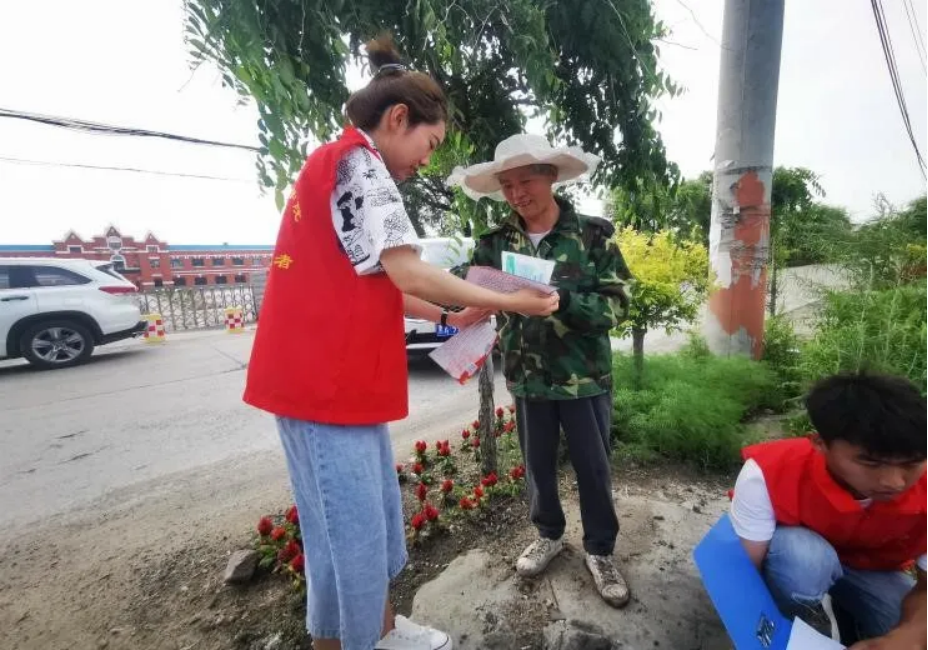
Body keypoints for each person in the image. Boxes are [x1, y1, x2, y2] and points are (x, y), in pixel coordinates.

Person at [243, 38, 559, 650]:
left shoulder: (334, 161)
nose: (426, 161)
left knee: (348, 529)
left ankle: (379, 632)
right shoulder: (363, 165)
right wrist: (512, 300)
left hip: (322, 385)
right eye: (430, 144)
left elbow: (382, 283)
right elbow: (409, 272)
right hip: (327, 387)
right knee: (354, 534)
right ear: (397, 119)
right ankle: (372, 640)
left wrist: (451, 316)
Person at [448, 134, 633, 608]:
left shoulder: (592, 237)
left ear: (550, 176)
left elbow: (617, 306)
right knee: (537, 464)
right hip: (527, 376)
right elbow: (474, 295)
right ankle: (548, 534)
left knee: (593, 467)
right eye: (507, 185)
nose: (515, 194)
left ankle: (600, 550)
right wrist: (460, 315)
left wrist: (562, 300)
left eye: (524, 181)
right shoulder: (493, 244)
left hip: (583, 378)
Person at [730, 372, 927, 648]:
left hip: (873, 572)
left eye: (911, 464)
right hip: (802, 563)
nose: (894, 482)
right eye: (871, 463)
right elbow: (745, 570)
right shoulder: (770, 471)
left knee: (912, 630)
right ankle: (796, 620)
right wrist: (756, 632)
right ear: (820, 444)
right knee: (804, 561)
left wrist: (902, 638)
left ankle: (848, 616)